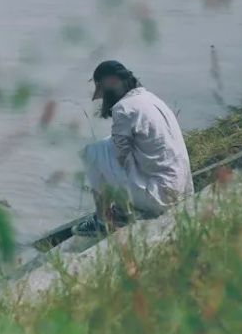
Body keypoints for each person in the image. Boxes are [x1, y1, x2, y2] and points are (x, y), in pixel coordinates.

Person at [74, 60, 194, 236]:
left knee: (92, 153)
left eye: (100, 86)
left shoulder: (123, 109)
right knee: (106, 146)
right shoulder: (149, 98)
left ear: (111, 83)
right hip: (181, 187)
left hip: (159, 196)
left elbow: (121, 157)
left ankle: (104, 220)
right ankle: (121, 211)